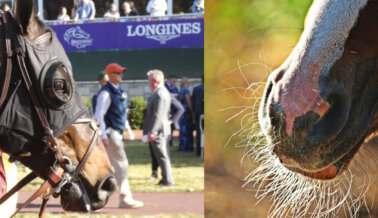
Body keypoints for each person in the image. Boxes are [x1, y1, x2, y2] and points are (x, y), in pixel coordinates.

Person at [94, 63, 143, 208]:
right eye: (117, 73)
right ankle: (125, 197)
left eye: (121, 73)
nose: (121, 75)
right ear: (109, 75)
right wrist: (102, 136)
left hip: (117, 133)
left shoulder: (119, 91)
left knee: (108, 168)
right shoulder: (105, 92)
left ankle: (93, 195)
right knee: (122, 165)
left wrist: (128, 130)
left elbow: (121, 114)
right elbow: (98, 115)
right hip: (111, 134)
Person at [143, 69, 174, 186]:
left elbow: (158, 114)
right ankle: (165, 178)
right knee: (162, 155)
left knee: (162, 156)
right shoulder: (160, 92)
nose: (148, 83)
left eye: (149, 80)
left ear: (155, 81)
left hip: (159, 130)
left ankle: (168, 180)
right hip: (161, 129)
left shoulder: (160, 93)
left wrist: (153, 131)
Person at [165, 75, 184, 147]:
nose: (175, 82)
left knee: (171, 127)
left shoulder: (175, 88)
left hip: (173, 109)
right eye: (174, 81)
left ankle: (170, 141)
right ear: (169, 80)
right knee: (167, 127)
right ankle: (167, 142)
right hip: (167, 109)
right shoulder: (164, 86)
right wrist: (173, 95)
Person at [178, 78, 194, 152]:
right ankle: (187, 146)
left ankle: (182, 146)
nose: (189, 84)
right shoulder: (186, 91)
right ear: (185, 83)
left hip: (181, 112)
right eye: (188, 82)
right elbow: (188, 101)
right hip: (186, 112)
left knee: (182, 130)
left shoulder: (180, 91)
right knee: (187, 130)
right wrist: (192, 110)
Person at [192, 75, 204, 157]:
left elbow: (193, 103)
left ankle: (199, 151)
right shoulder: (201, 89)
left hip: (198, 114)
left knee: (199, 133)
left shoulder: (196, 89)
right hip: (203, 114)